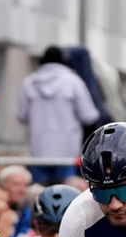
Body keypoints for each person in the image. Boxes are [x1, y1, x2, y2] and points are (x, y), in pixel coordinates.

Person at [16, 46, 101, 183]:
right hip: (67, 153)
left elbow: (21, 116)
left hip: (39, 152)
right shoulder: (74, 82)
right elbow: (89, 116)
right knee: (67, 194)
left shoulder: (29, 83)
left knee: (40, 194)